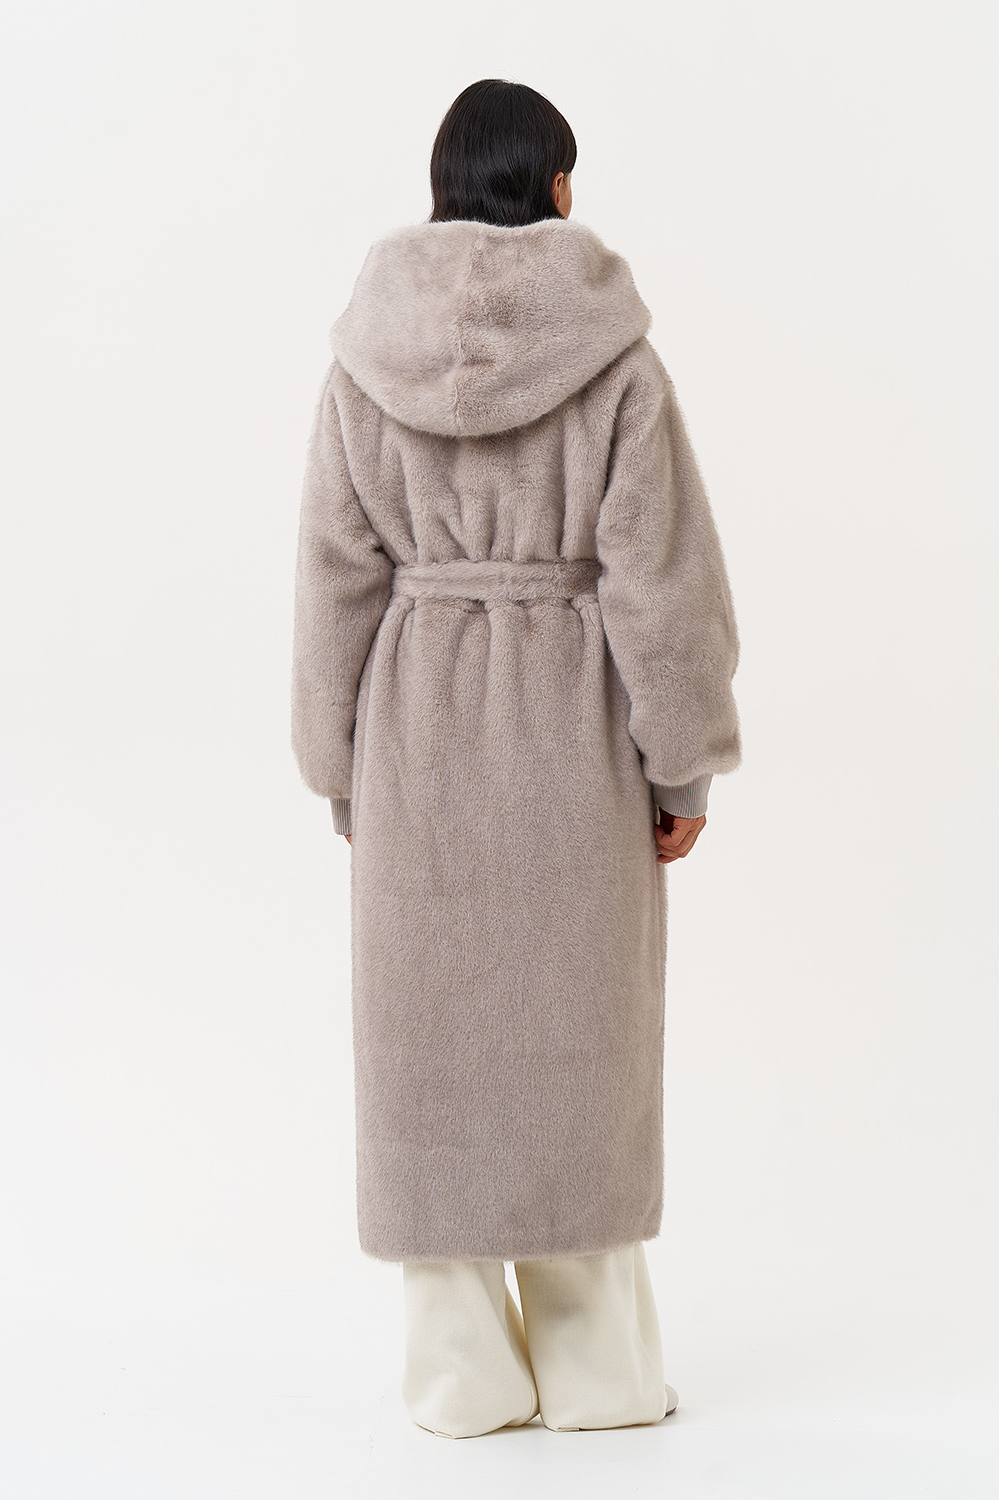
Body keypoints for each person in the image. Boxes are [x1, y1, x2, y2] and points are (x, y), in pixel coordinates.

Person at [291, 78, 742, 1438]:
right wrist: (681, 765)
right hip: (573, 744)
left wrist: (338, 764)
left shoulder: (363, 363)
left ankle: (461, 1376)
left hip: (417, 742)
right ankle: (600, 1374)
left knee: (428, 1050)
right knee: (576, 1045)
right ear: (553, 187)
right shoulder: (617, 365)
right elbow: (662, 586)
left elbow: (333, 582)